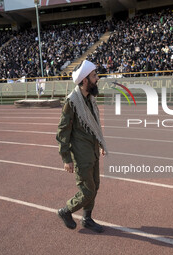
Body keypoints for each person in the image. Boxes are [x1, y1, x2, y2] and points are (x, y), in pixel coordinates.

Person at [56, 60, 108, 233]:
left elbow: (95, 125)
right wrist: (66, 158)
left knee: (95, 186)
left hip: (92, 151)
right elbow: (63, 131)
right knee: (87, 191)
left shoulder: (89, 100)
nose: (97, 78)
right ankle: (66, 211)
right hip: (81, 155)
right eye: (94, 76)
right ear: (85, 80)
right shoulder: (72, 102)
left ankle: (87, 219)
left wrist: (100, 144)